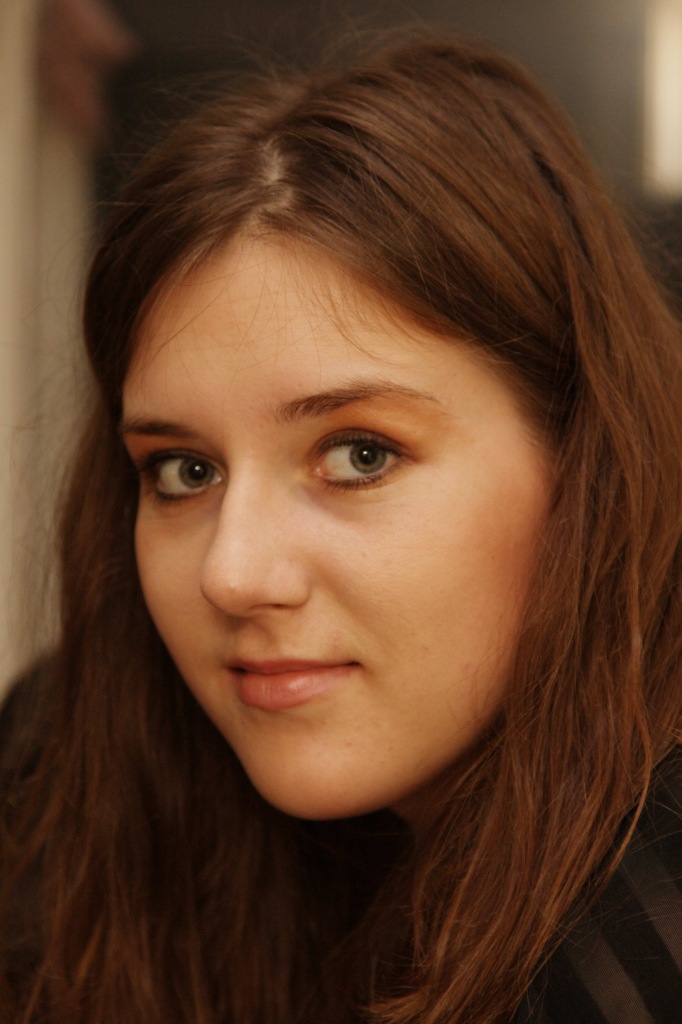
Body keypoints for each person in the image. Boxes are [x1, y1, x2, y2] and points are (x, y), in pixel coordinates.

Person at [1, 32, 680, 1024]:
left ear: (584, 460)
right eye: (184, 470)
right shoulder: (59, 765)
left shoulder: (643, 940)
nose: (233, 574)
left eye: (360, 454)